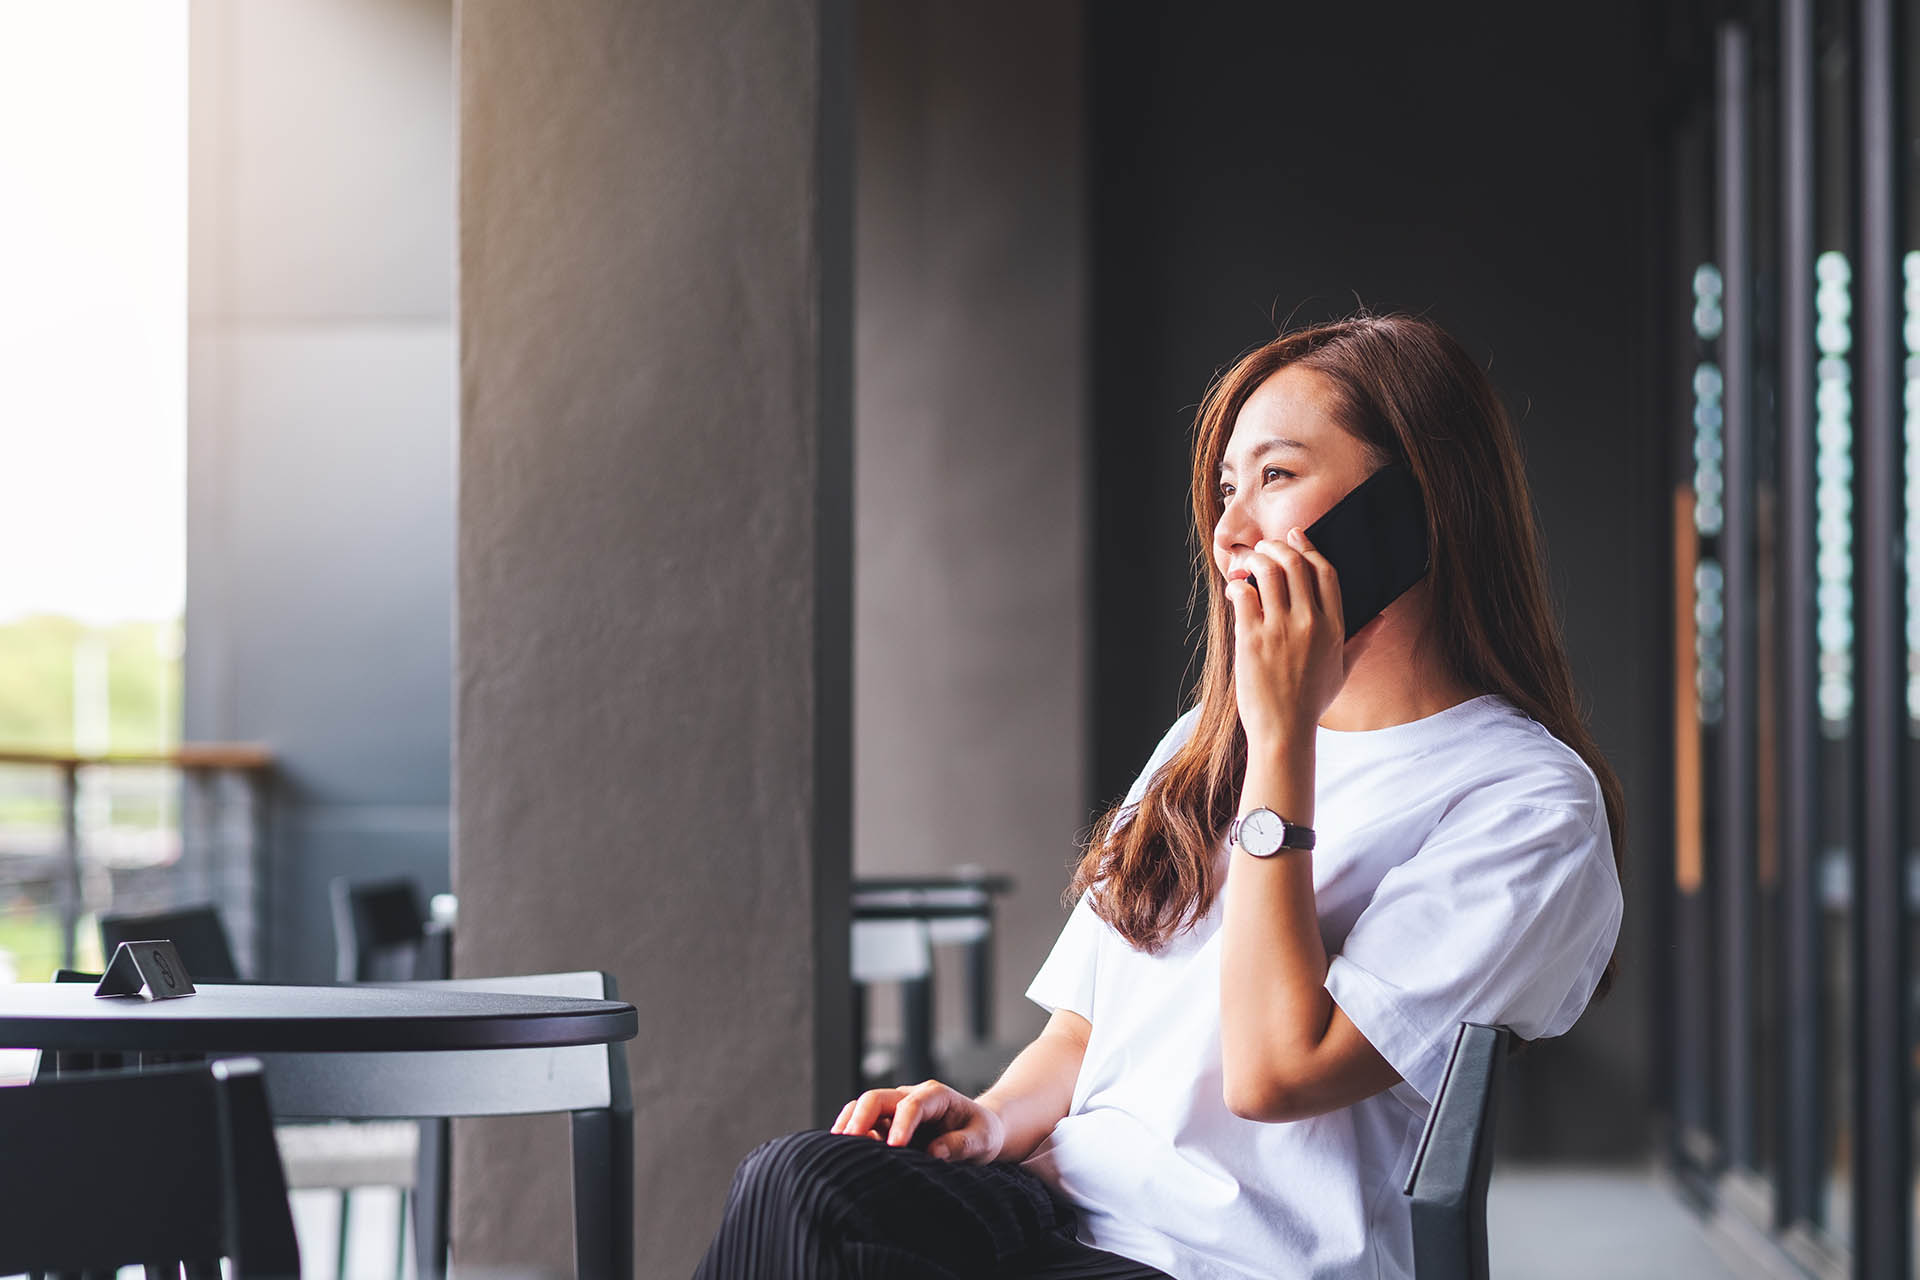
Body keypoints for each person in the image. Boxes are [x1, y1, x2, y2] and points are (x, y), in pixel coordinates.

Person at [693, 312, 1626, 1280]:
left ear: (1414, 506)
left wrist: (1282, 740)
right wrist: (991, 1118)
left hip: (1226, 1260)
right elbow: (1085, 1028)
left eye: (1275, 476)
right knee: (801, 1180)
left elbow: (1276, 1070)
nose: (1228, 530)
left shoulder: (1523, 799)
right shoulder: (1200, 743)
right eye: (1226, 489)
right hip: (1058, 1208)